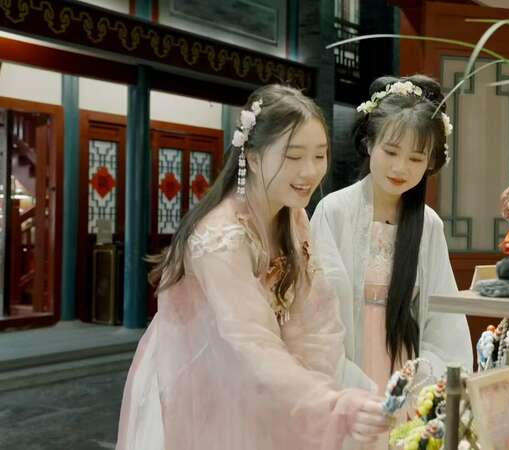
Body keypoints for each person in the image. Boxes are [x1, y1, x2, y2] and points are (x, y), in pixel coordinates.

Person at [116, 84, 389, 450]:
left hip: (264, 373)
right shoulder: (221, 235)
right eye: (293, 156)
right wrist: (328, 405)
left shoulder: (293, 215)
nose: (310, 171)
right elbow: (251, 340)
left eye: (319, 155)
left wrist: (322, 389)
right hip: (203, 380)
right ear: (254, 158)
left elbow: (316, 313)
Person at [310, 74, 473, 404]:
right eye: (391, 151)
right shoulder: (334, 212)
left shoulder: (428, 225)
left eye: (416, 158)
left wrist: (419, 385)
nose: (401, 168)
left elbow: (444, 322)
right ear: (369, 143)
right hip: (343, 374)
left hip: (405, 383)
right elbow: (316, 312)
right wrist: (351, 385)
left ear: (430, 163)